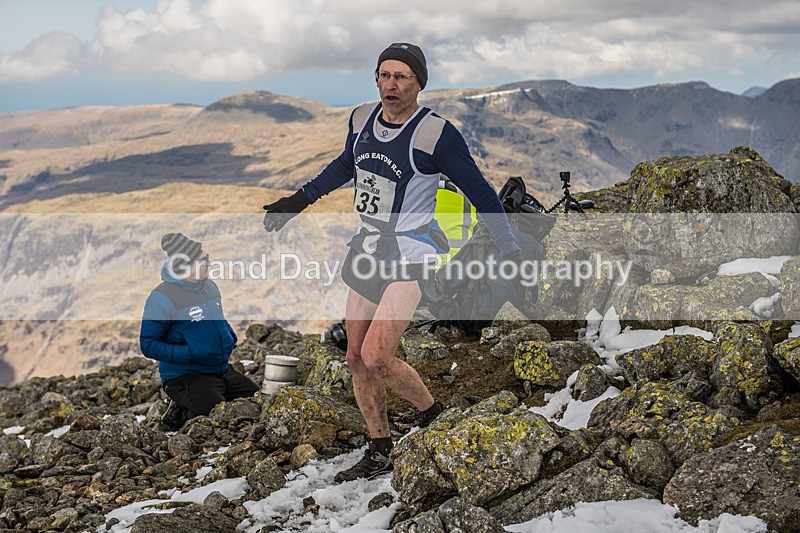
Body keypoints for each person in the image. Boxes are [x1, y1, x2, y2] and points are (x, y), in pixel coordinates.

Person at [262, 42, 522, 482]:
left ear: (419, 83)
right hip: (368, 249)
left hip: (412, 251)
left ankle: (431, 414)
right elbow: (348, 163)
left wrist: (510, 248)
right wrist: (299, 200)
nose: (391, 84)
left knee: (378, 355)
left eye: (402, 76)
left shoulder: (435, 134)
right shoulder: (362, 118)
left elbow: (480, 193)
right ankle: (379, 446)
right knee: (355, 360)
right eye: (384, 75)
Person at [140, 233, 259, 430]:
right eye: (203, 259)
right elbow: (148, 345)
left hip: (221, 370)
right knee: (222, 420)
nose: (209, 263)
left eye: (208, 257)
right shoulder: (162, 297)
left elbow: (218, 320)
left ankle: (188, 407)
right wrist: (191, 354)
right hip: (187, 377)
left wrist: (229, 336)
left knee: (259, 400)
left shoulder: (210, 287)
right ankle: (181, 412)